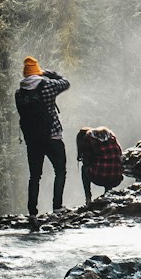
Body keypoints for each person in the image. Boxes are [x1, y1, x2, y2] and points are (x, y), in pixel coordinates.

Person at [14, 56, 70, 222]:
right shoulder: (47, 85)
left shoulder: (19, 93)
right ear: (38, 71)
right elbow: (65, 82)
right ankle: (57, 207)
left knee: (34, 176)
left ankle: (32, 212)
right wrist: (48, 73)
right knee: (60, 171)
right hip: (52, 136)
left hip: (32, 140)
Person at [76, 126, 124, 205]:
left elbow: (87, 160)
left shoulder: (88, 138)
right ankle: (108, 193)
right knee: (109, 166)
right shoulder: (110, 135)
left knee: (84, 169)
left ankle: (88, 198)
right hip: (117, 178)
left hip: (100, 178)